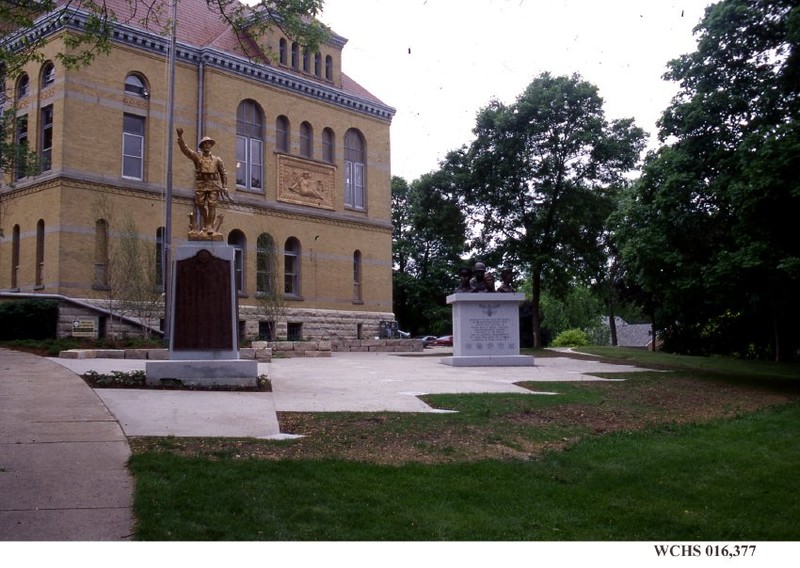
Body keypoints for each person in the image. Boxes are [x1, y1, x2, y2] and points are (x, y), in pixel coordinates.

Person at [176, 127, 229, 237]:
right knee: (200, 204)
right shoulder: (197, 156)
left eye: (209, 143)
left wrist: (224, 186)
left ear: (211, 145)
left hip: (213, 185)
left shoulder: (217, 160)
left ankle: (209, 227)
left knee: (212, 205)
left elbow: (223, 173)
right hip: (201, 184)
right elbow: (185, 150)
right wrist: (180, 137)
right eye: (205, 143)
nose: (207, 145)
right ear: (202, 146)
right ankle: (207, 223)